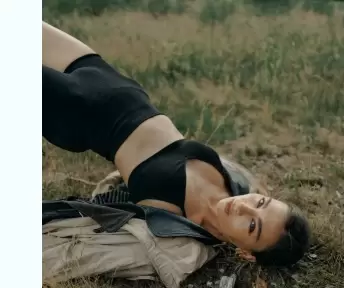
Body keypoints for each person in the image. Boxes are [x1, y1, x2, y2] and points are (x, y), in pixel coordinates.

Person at [42, 21, 310, 267]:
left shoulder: (177, 230)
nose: (244, 206)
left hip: (76, 111)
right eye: (260, 202)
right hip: (111, 80)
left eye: (252, 225)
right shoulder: (236, 181)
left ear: (245, 253)